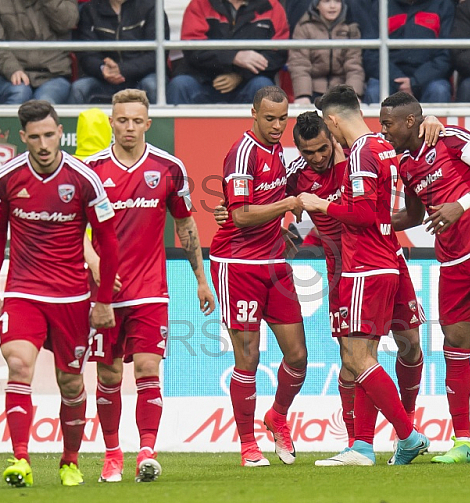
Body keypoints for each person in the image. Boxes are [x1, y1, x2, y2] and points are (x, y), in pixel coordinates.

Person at [82, 89, 215, 482]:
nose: (129, 127)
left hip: (151, 289)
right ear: (111, 121)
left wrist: (201, 279)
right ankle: (111, 455)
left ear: (148, 123)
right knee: (107, 375)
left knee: (147, 367)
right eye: (122, 120)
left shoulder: (168, 167)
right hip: (106, 294)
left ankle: (146, 452)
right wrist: (94, 261)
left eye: (136, 120)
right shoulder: (90, 170)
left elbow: (185, 224)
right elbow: (72, 227)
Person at [0, 100, 119, 487]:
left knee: (71, 383)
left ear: (61, 133)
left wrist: (103, 299)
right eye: (35, 137)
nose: (43, 144)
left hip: (72, 296)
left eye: (50, 134)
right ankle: (21, 459)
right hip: (24, 291)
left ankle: (69, 461)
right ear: (23, 137)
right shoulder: (7, 179)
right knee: (19, 365)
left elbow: (108, 243)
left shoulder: (83, 179)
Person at [300, 85, 429, 466]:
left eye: (329, 127)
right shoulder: (384, 146)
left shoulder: (360, 154)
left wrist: (321, 203)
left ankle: (406, 435)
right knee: (383, 352)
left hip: (365, 264)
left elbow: (361, 214)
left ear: (333, 120)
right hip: (390, 258)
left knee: (357, 358)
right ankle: (364, 447)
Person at [379, 91, 470, 465]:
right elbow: (413, 216)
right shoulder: (404, 163)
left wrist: (460, 206)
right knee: (454, 347)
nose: (383, 131)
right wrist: (367, 222)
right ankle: (462, 440)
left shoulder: (450, 138)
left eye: (388, 124)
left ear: (410, 121)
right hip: (452, 264)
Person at [209, 86, 308, 467]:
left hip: (274, 262)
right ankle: (248, 444)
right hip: (237, 265)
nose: (277, 126)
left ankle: (277, 416)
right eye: (270, 118)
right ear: (253, 113)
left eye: (283, 119)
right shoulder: (242, 152)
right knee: (248, 358)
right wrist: (284, 205)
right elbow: (240, 215)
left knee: (298, 355)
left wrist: (280, 224)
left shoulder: (279, 150)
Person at [168, 0, 289, 105]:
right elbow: (192, 49)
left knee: (264, 88)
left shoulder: (271, 6)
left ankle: (256, 133)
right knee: (180, 85)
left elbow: (278, 54)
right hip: (202, 80)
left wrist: (240, 75)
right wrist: (234, 57)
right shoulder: (200, 4)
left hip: (248, 81)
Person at [70, 0, 170, 105]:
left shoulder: (151, 8)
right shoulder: (89, 9)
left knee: (152, 85)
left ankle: (158, 122)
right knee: (79, 88)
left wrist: (122, 69)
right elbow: (86, 54)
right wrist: (102, 69)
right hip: (103, 77)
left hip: (142, 76)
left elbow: (156, 57)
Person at [0, 0, 78, 104]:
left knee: (45, 103)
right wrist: (13, 69)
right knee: (19, 94)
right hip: (7, 75)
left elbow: (68, 23)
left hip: (53, 74)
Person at [359, 0, 455, 104]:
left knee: (439, 90)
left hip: (429, 78)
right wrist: (396, 79)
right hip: (390, 77)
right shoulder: (381, 6)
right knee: (374, 91)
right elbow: (371, 54)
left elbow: (447, 55)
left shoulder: (443, 5)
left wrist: (416, 82)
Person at [287, 0, 365, 104]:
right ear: (317, 5)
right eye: (326, 1)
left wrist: (353, 94)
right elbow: (300, 65)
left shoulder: (351, 28)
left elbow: (354, 66)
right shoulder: (303, 27)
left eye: (337, 1)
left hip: (342, 91)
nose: (332, 6)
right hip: (312, 91)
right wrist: (303, 95)